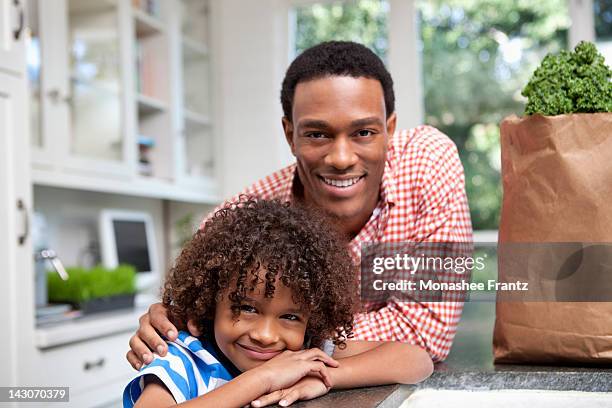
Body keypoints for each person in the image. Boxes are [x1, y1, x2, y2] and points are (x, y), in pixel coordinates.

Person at [127, 40, 472, 404]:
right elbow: (191, 315)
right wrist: (180, 319)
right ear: (290, 134)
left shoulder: (426, 163)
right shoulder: (240, 223)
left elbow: (423, 337)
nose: (341, 158)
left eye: (364, 132)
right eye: (317, 134)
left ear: (390, 129)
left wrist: (310, 353)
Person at [124, 198, 432, 407]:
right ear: (207, 305)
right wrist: (264, 378)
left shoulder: (302, 354)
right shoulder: (185, 360)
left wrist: (325, 378)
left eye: (290, 317)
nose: (266, 335)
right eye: (246, 308)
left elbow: (417, 361)